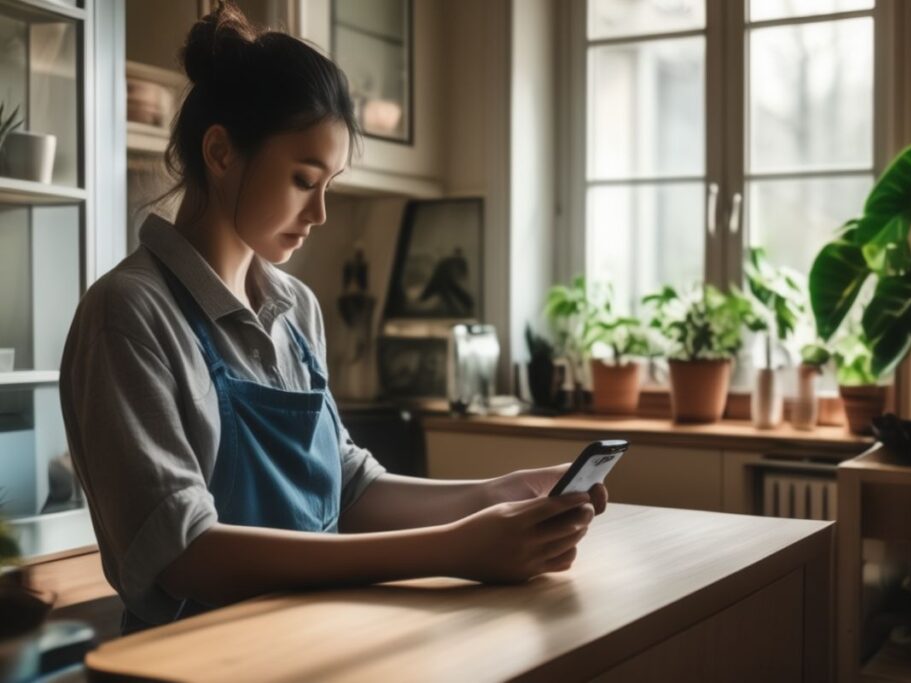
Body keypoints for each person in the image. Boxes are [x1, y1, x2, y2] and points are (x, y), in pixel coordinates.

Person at [59, 1, 605, 634]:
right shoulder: (128, 314)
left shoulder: (296, 309)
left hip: (316, 639)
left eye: (330, 185)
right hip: (195, 660)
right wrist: (455, 548)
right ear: (219, 152)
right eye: (302, 178)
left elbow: (346, 485)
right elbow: (186, 556)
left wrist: (493, 494)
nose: (319, 213)